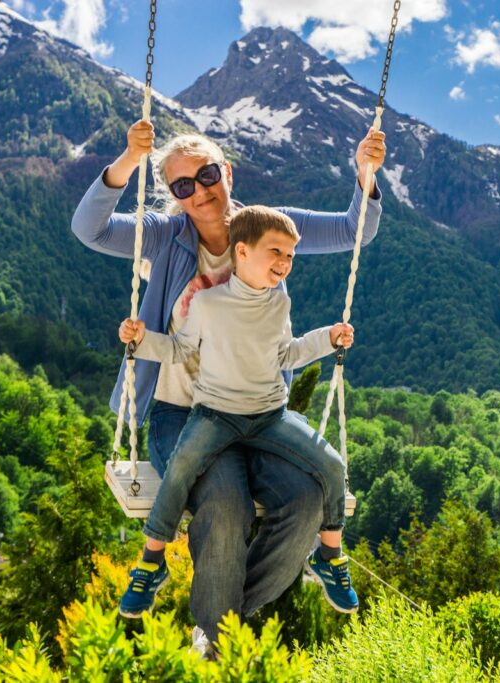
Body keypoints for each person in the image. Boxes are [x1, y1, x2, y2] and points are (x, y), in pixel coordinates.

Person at [71, 118, 384, 649]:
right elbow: (90, 229)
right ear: (173, 195)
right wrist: (128, 160)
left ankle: (220, 620)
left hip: (260, 411)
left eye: (208, 174)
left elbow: (357, 228)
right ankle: (218, 636)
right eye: (182, 186)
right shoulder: (166, 235)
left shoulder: (268, 228)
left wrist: (366, 173)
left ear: (228, 172)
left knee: (307, 500)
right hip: (183, 413)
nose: (199, 191)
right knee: (225, 502)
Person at [117, 205, 359, 619]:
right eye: (276, 252)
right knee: (180, 469)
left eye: (290, 256)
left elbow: (288, 353)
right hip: (214, 415)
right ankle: (151, 561)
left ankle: (330, 555)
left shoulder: (277, 305)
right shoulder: (209, 304)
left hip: (269, 417)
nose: (284, 263)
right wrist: (141, 341)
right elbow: (180, 350)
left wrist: (328, 338)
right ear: (242, 253)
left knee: (333, 465)